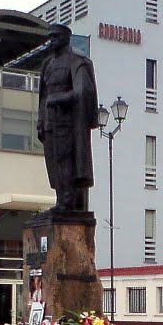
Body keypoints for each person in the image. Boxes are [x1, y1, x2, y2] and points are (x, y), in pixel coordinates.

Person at [36, 23, 99, 213]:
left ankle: (67, 201)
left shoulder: (76, 60)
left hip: (67, 122)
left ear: (65, 38)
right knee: (53, 162)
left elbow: (83, 91)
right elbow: (43, 96)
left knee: (65, 160)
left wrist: (60, 98)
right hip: (49, 121)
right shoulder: (47, 64)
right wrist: (40, 120)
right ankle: (60, 199)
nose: (52, 40)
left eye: (55, 37)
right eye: (50, 37)